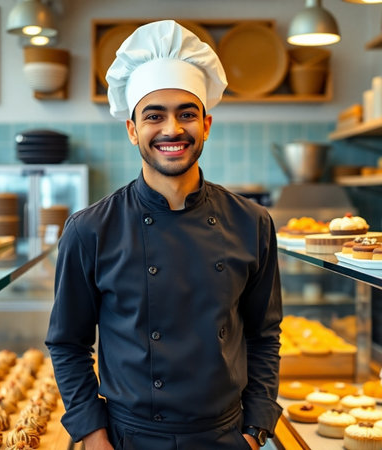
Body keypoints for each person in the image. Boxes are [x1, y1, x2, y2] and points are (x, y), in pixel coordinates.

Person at [46, 19, 282, 450]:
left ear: (206, 125)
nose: (172, 129)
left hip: (225, 437)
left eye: (186, 114)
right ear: (133, 129)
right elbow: (67, 343)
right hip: (128, 438)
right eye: (154, 116)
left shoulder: (252, 222)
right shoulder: (90, 230)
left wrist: (256, 428)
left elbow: (264, 335)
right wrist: (93, 435)